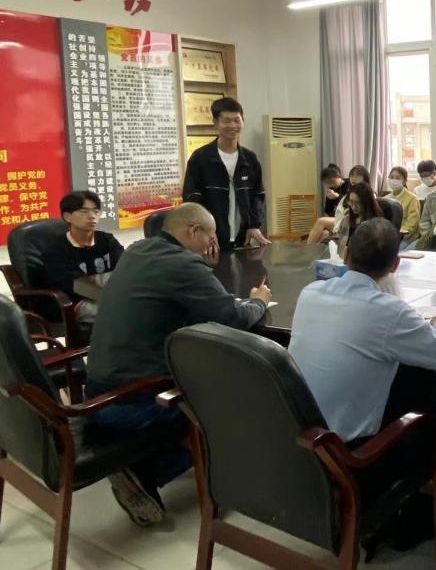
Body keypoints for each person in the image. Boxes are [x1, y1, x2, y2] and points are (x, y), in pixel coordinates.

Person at [85, 203, 271, 526]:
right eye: (210, 237)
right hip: (132, 401)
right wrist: (259, 301)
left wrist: (202, 267)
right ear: (193, 231)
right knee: (237, 401)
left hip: (97, 391)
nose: (213, 244)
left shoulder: (136, 251)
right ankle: (148, 472)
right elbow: (231, 317)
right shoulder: (182, 264)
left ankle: (146, 464)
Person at [289, 217, 436, 443]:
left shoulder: (310, 293)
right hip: (346, 453)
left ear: (346, 255)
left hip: (296, 437)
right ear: (395, 265)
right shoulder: (391, 312)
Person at [182, 97, 270, 250]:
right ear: (215, 123)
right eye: (226, 121)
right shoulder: (200, 158)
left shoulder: (250, 159)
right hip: (211, 241)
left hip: (243, 239)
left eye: (237, 120)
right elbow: (192, 199)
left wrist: (253, 225)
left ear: (243, 121)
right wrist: (205, 231)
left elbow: (257, 196)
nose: (233, 125)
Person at [41, 190, 124, 326]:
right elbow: (71, 285)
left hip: (109, 295)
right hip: (76, 301)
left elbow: (125, 267)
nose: (92, 216)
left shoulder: (107, 240)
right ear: (67, 217)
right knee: (122, 313)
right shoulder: (55, 250)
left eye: (96, 211)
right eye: (84, 211)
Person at [307, 165, 371, 244]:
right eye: (327, 183)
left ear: (338, 176)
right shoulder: (332, 191)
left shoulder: (351, 188)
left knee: (321, 222)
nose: (330, 184)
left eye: (331, 181)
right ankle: (311, 250)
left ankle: (309, 249)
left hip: (345, 221)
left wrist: (336, 196)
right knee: (324, 233)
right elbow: (328, 211)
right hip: (339, 219)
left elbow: (353, 209)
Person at [383, 166, 421, 245]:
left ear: (404, 181)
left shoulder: (412, 199)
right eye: (391, 177)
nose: (394, 180)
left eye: (397, 178)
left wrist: (397, 235)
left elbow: (412, 224)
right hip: (387, 237)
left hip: (406, 238)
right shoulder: (385, 199)